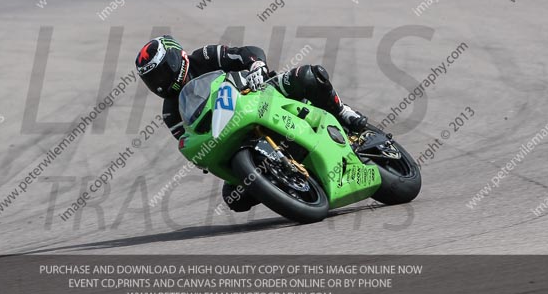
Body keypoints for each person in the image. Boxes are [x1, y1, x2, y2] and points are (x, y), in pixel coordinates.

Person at [134, 36, 375, 212]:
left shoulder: (204, 56)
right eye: (152, 79)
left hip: (262, 93)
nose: (160, 82)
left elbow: (246, 52)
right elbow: (189, 138)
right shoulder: (170, 113)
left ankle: (342, 112)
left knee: (309, 76)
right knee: (234, 197)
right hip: (228, 132)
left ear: (177, 58)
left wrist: (256, 65)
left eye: (162, 72)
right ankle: (284, 183)